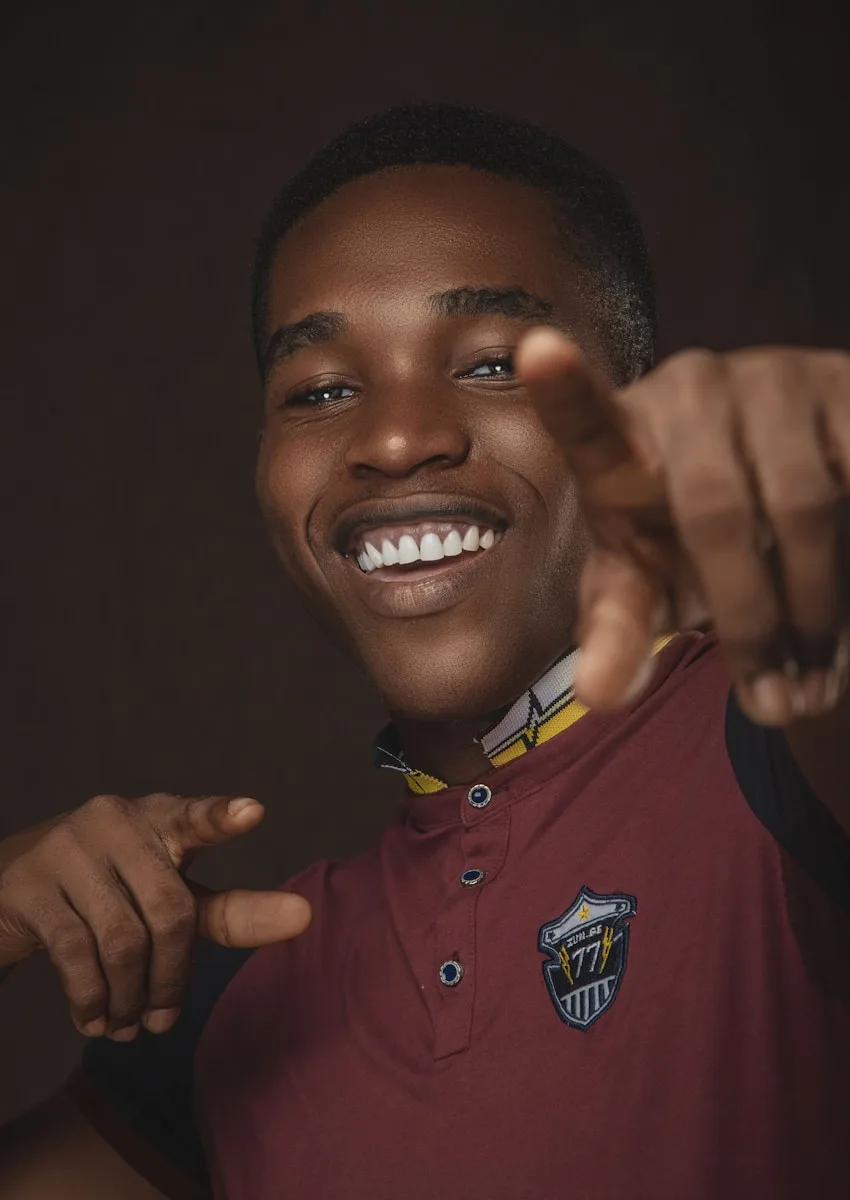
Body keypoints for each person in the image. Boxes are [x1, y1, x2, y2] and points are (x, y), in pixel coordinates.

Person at [0, 102, 849, 1200]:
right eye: (321, 391)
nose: (395, 437)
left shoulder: (785, 743)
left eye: (494, 365)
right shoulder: (241, 1004)